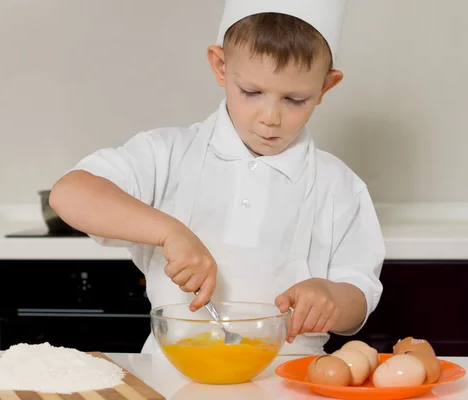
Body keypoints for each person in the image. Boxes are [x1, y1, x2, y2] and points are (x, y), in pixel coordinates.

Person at [49, 0, 385, 355]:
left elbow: (359, 294)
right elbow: (70, 193)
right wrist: (169, 232)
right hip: (173, 377)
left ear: (325, 87)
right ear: (220, 66)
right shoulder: (168, 154)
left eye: (294, 99)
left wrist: (330, 298)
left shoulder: (340, 186)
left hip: (291, 381)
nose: (269, 117)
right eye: (252, 92)